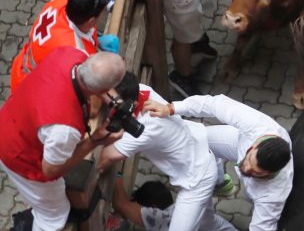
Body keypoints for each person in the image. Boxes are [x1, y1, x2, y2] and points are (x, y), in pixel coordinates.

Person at [0, 48, 126, 231]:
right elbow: (50, 171)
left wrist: (114, 101)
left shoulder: (69, 55)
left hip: (10, 121)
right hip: (16, 155)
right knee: (55, 215)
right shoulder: (65, 128)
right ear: (103, 89)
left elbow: (91, 80)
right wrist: (95, 141)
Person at [99, 73, 236, 231]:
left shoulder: (143, 128)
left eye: (111, 103)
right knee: (209, 223)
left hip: (197, 179)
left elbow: (103, 160)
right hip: (201, 150)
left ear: (131, 104)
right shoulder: (141, 89)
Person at [144, 94, 294, 231]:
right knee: (199, 140)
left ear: (269, 173)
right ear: (255, 145)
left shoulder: (273, 196)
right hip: (238, 142)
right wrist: (170, 108)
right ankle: (220, 184)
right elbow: (214, 104)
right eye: (249, 159)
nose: (245, 167)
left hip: (261, 193)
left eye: (256, 172)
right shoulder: (256, 125)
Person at [9, 0, 118, 92]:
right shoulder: (75, 52)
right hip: (31, 88)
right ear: (91, 21)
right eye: (102, 13)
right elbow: (80, 87)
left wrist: (95, 39)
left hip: (22, 66)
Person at [112, 177, 235, 230]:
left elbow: (121, 204)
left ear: (153, 208)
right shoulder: (184, 206)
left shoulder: (163, 218)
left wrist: (117, 176)